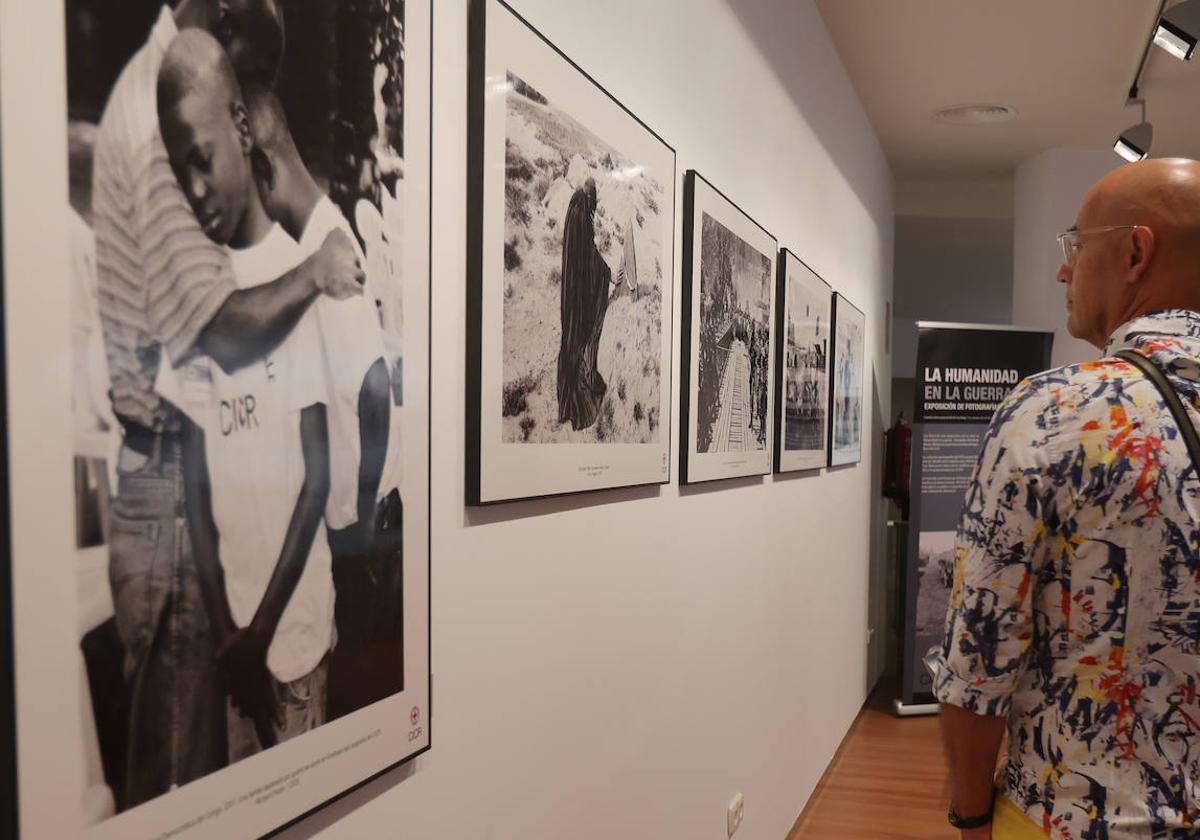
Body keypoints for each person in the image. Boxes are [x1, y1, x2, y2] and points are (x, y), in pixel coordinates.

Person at [89, 0, 362, 807]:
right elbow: (222, 337)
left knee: (215, 790)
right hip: (176, 512)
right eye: (246, 85)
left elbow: (316, 472)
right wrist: (316, 271)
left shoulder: (160, 97)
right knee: (182, 790)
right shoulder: (157, 118)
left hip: (265, 608)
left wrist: (253, 630)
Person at [929, 158, 1200, 839]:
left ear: (1135, 252)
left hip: (1077, 817)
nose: (1062, 271)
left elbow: (979, 659)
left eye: (1075, 246)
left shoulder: (1054, 412)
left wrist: (970, 815)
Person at [155, 30, 336, 758]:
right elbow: (193, 484)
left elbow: (317, 477)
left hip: (291, 639)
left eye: (202, 160)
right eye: (179, 173)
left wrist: (260, 632)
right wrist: (230, 637)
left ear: (239, 127)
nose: (195, 190)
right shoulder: (197, 295)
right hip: (237, 645)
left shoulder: (297, 274)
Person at [243, 82, 405, 717]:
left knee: (363, 715)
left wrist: (359, 518)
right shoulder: (321, 238)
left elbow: (370, 385)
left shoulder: (324, 243)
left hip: (367, 528)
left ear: (264, 166)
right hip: (362, 522)